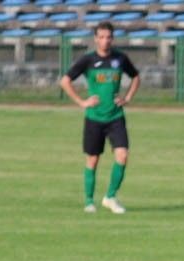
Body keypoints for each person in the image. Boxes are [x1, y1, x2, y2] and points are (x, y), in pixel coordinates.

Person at [59, 21, 140, 214]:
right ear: (95, 39)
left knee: (122, 155)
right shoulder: (88, 60)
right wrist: (81, 102)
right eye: (101, 37)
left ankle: (110, 197)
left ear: (112, 39)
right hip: (94, 117)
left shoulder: (120, 59)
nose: (105, 41)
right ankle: (89, 200)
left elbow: (136, 77)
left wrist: (127, 97)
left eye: (108, 37)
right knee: (93, 159)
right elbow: (65, 80)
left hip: (116, 116)